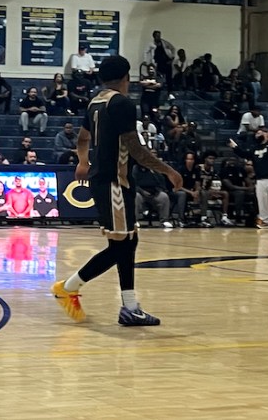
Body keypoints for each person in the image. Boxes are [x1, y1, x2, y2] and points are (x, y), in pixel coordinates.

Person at [52, 55, 182, 327]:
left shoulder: (95, 101)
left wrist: (83, 161)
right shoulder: (121, 103)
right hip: (113, 182)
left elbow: (83, 138)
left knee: (127, 242)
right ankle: (69, 286)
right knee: (120, 245)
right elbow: (135, 150)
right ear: (127, 78)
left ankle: (130, 307)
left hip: (112, 180)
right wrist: (168, 170)